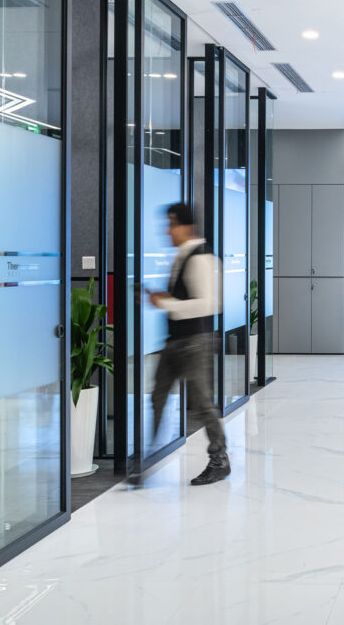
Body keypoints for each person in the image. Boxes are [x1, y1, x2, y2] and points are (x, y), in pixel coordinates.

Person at [145, 203, 230, 485]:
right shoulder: (182, 256)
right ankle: (146, 458)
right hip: (175, 341)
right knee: (157, 397)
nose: (167, 231)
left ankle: (219, 459)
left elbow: (209, 304)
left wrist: (166, 303)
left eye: (171, 224)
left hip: (195, 342)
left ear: (186, 226)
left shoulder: (201, 258)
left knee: (204, 404)